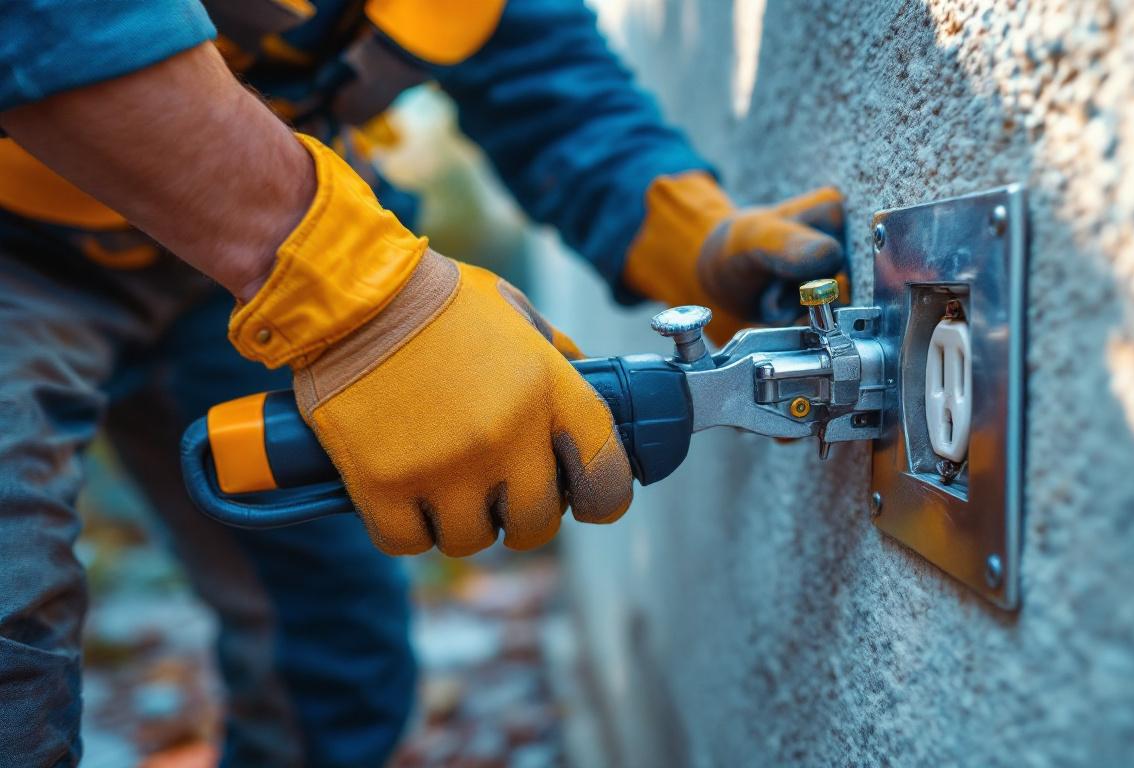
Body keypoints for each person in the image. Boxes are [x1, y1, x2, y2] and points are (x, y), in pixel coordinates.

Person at [0, 0, 846, 763]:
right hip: (32, 249)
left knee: (338, 648)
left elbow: (549, 85)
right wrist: (358, 299)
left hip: (217, 271)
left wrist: (691, 237)